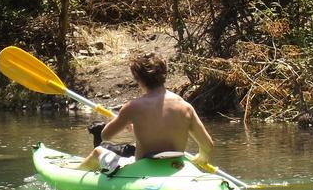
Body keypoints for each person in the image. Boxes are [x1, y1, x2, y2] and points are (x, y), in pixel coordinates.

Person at [77, 52, 214, 173]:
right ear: (164, 74)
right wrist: (202, 157)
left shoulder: (133, 107)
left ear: (138, 78)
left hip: (141, 168)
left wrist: (123, 120)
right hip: (176, 166)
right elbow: (207, 145)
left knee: (98, 151)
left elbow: (105, 135)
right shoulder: (185, 107)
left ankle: (72, 174)